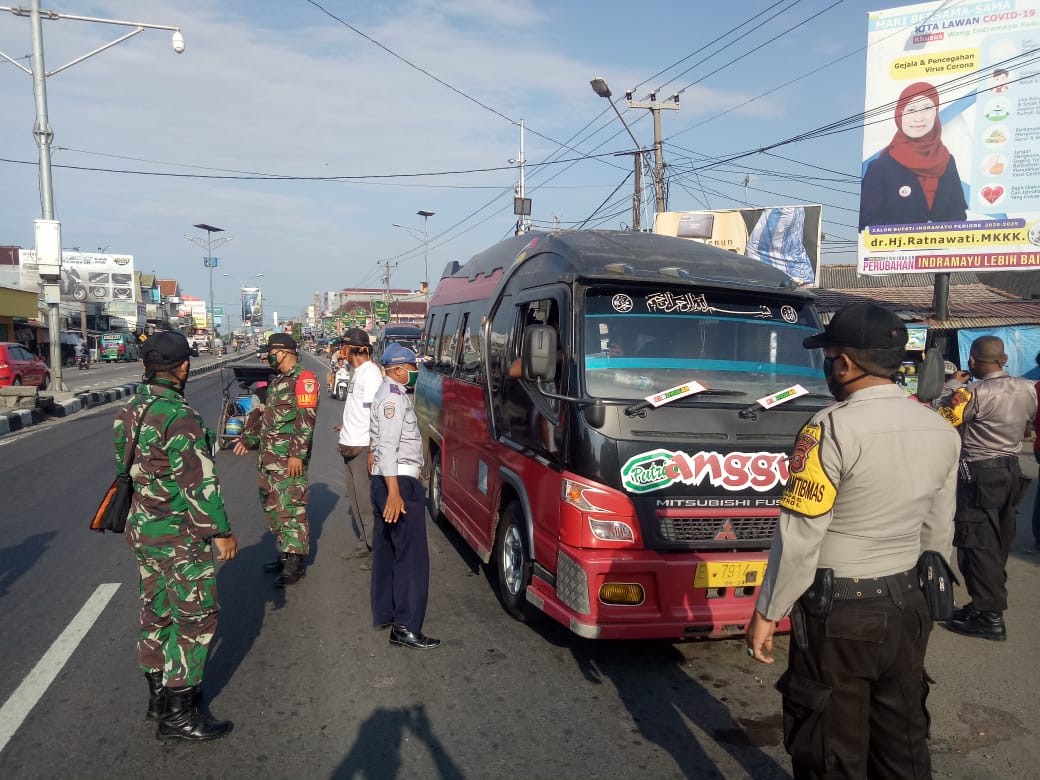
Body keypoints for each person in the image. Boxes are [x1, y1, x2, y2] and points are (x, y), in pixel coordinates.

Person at [746, 302, 960, 778]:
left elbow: (801, 535)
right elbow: (938, 530)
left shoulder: (830, 428)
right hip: (907, 603)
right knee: (903, 740)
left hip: (840, 612)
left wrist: (769, 611)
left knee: (830, 748)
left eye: (829, 356)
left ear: (843, 362)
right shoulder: (941, 428)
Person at [114, 331, 237, 742]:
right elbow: (198, 483)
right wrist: (221, 532)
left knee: (156, 610)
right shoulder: (177, 415)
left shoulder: (131, 407)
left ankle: (158, 698)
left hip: (144, 529)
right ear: (183, 367)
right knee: (196, 617)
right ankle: (179, 712)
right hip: (179, 536)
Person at [934, 335, 1037, 640]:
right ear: (1002, 359)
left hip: (978, 472)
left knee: (976, 544)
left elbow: (943, 416)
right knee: (998, 541)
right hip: (1011, 468)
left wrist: (951, 385)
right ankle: (982, 606)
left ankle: (990, 616)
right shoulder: (1028, 388)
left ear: (973, 361)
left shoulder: (973, 392)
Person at [234, 333, 319, 587]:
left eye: (270, 351)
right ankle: (285, 552)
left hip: (288, 458)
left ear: (283, 352)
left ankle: (295, 562)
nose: (267, 356)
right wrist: (248, 440)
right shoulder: (278, 381)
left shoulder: (304, 380)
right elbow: (267, 417)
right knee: (272, 505)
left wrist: (297, 454)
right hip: (269, 457)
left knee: (291, 506)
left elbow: (306, 420)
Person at [369, 342, 439, 649]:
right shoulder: (393, 400)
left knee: (387, 551)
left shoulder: (389, 395)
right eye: (412, 368)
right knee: (411, 559)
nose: (415, 372)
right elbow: (386, 446)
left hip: (386, 480)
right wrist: (395, 493)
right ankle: (407, 627)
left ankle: (387, 611)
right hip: (397, 484)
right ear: (397, 369)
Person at [859, 81, 967, 230]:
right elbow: (867, 222)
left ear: (936, 112)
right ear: (900, 114)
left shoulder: (947, 161)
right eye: (911, 110)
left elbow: (958, 213)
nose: (919, 118)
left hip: (943, 252)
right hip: (895, 252)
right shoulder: (880, 168)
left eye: (927, 108)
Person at [333, 328, 382, 564]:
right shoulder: (358, 373)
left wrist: (373, 449)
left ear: (356, 349)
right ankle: (364, 543)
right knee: (354, 500)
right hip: (350, 445)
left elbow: (376, 413)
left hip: (363, 449)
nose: (342, 352)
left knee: (365, 503)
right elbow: (359, 409)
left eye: (345, 347)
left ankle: (376, 551)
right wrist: (345, 424)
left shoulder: (370, 374)